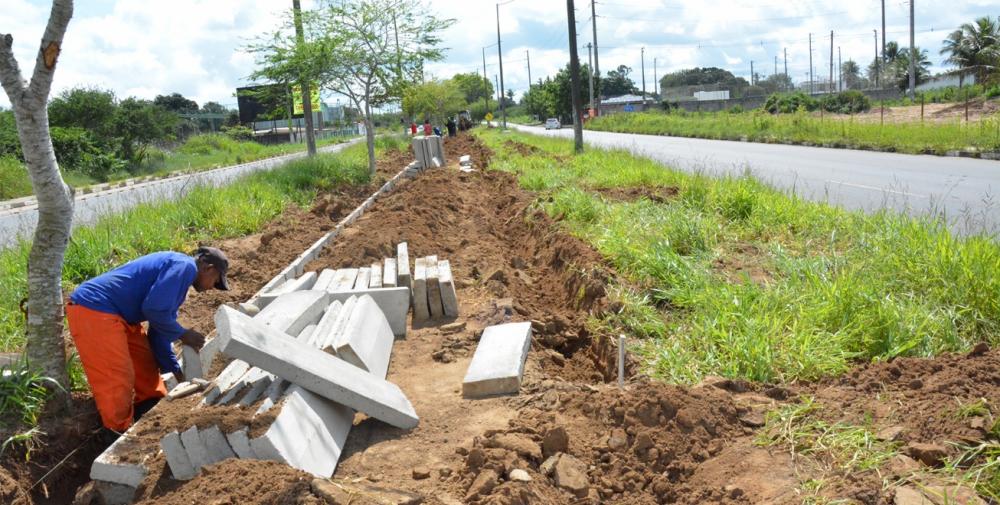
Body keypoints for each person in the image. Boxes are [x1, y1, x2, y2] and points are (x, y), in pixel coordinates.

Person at [66, 247, 230, 432]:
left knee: (146, 365)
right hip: (95, 309)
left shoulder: (179, 278)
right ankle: (117, 431)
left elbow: (159, 330)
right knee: (117, 375)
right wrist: (183, 334)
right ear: (208, 268)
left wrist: (175, 370)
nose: (212, 287)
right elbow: (154, 309)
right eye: (215, 281)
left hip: (121, 315)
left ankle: (150, 408)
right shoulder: (185, 267)